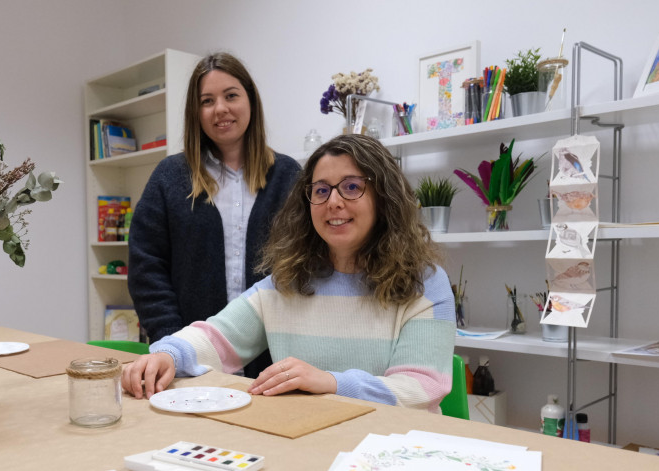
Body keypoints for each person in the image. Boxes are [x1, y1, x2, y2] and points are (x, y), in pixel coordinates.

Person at [123, 134, 456, 412]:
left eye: (352, 187)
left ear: (384, 197)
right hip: (305, 441)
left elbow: (422, 386)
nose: (333, 202)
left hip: (392, 450)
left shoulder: (425, 282)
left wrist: (331, 382)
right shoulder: (287, 281)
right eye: (321, 190)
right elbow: (217, 338)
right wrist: (169, 353)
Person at [128, 52, 300, 378]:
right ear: (196, 112)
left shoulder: (289, 175)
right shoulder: (169, 177)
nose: (220, 108)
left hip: (276, 363)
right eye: (207, 100)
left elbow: (307, 263)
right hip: (189, 359)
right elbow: (146, 267)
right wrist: (174, 343)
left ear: (251, 100)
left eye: (231, 95)